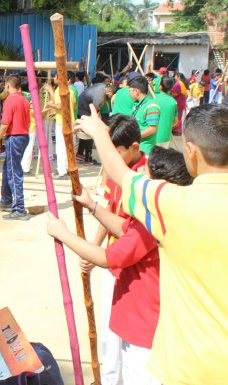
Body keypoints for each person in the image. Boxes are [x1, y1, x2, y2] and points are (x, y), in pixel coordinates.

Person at [75, 103, 228, 384]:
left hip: (188, 364)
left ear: (191, 151)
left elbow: (118, 174)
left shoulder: (172, 202)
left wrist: (98, 132)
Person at [47, 146, 193, 385]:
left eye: (143, 174)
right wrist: (92, 206)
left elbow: (106, 258)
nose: (136, 179)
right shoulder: (159, 215)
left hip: (143, 333)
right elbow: (123, 228)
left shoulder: (151, 225)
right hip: (143, 326)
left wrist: (63, 235)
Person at [86, 114, 147, 385]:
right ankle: (110, 379)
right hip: (112, 259)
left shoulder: (148, 175)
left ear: (135, 147)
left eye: (117, 151)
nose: (112, 158)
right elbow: (108, 211)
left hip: (136, 265)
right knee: (110, 328)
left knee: (132, 336)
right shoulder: (114, 170)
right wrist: (92, 248)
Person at [0, 75, 31, 220]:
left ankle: (19, 209)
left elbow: (5, 124)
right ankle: (6, 199)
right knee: (8, 168)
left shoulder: (10, 100)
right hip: (22, 136)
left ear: (8, 86)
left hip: (15, 137)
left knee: (14, 172)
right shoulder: (24, 99)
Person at [44, 73, 79, 178]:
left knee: (61, 147)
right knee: (69, 147)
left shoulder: (59, 90)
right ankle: (68, 168)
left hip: (62, 122)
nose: (54, 78)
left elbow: (59, 106)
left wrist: (50, 104)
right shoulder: (72, 91)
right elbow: (68, 105)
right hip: (70, 120)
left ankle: (62, 171)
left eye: (56, 77)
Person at [77, 73, 108, 163]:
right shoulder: (100, 94)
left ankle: (81, 155)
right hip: (84, 112)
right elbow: (96, 109)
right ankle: (87, 157)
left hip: (83, 110)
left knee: (85, 134)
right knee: (89, 135)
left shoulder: (100, 88)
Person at [128, 76, 161, 154]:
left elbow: (153, 128)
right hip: (136, 148)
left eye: (129, 90)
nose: (129, 93)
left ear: (136, 91)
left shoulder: (151, 105)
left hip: (145, 150)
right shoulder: (138, 104)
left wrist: (134, 137)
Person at [155, 78, 179, 149]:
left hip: (152, 136)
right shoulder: (173, 101)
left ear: (160, 86)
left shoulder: (154, 98)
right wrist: (166, 128)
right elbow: (176, 123)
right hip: (166, 137)